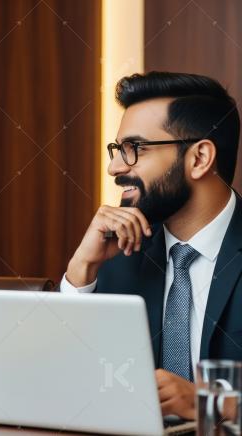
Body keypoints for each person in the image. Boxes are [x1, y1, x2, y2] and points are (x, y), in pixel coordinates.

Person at [61, 71, 242, 419]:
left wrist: (214, 403)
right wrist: (81, 270)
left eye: (135, 149)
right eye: (117, 150)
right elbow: (63, 383)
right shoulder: (116, 253)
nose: (114, 168)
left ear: (200, 158)